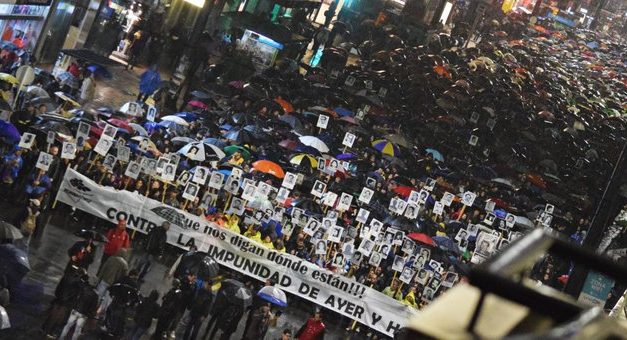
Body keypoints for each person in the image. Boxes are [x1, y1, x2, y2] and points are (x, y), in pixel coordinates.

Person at [58, 272, 98, 340]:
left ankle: (61, 338)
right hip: (83, 314)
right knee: (77, 330)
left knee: (67, 326)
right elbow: (93, 308)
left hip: (75, 310)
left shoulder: (83, 288)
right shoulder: (95, 296)